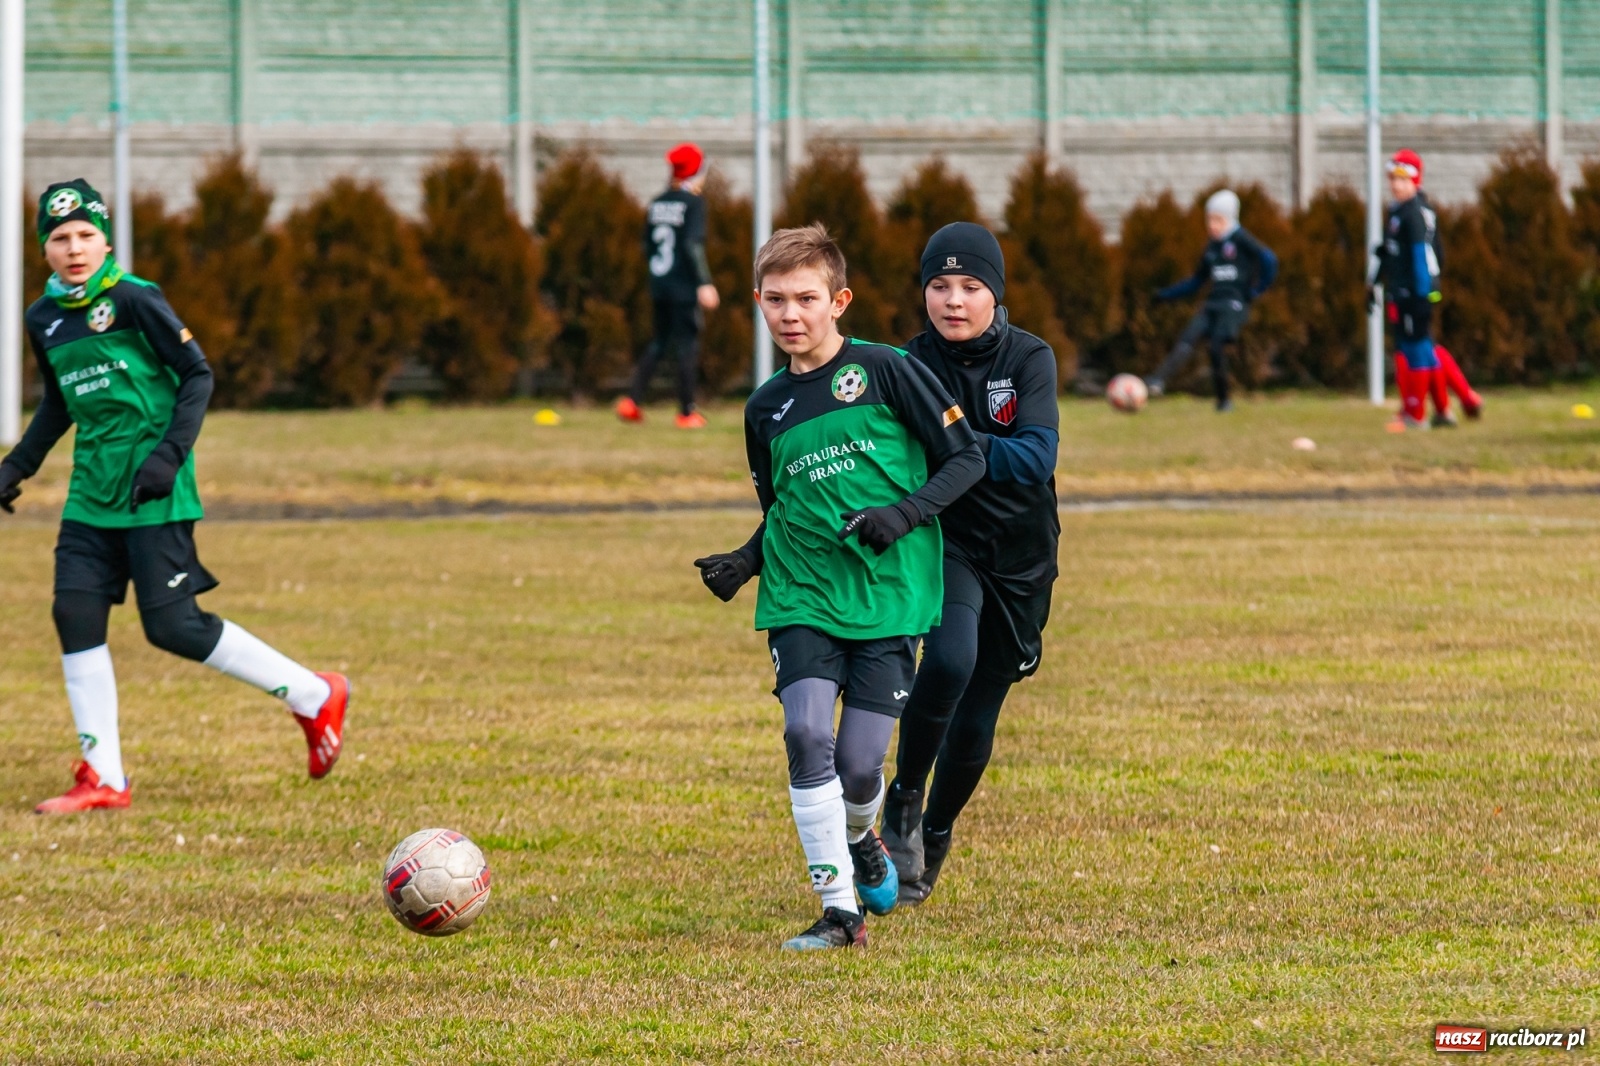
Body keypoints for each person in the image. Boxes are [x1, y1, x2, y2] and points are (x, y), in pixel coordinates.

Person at [0, 178, 350, 814]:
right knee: (73, 614)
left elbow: (197, 375)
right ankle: (104, 777)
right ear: (44, 249)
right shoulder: (43, 318)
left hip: (152, 490)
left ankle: (314, 694)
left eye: (85, 235)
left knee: (172, 627)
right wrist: (16, 466)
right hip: (90, 494)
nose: (74, 248)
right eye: (60, 238)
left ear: (106, 241)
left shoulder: (135, 299)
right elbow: (59, 403)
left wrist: (168, 457)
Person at [692, 223, 984, 950]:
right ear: (758, 302)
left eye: (806, 299)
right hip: (801, 596)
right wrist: (748, 559)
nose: (791, 314)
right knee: (806, 733)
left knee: (858, 766)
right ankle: (840, 914)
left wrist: (901, 515)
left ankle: (861, 836)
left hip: (889, 595)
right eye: (776, 300)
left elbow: (966, 459)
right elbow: (785, 508)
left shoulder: (886, 370)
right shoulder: (764, 409)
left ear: (839, 301)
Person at [880, 223, 1060, 905]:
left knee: (981, 706)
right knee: (950, 660)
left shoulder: (1029, 357)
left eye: (970, 286)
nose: (953, 300)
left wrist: (955, 441)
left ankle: (936, 828)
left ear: (995, 294)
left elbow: (1036, 458)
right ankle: (903, 798)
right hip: (946, 540)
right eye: (939, 285)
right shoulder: (907, 365)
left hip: (1022, 555)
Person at [1370, 149, 1483, 430]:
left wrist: (1425, 292)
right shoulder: (1398, 212)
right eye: (1392, 178)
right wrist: (1374, 282)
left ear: (1415, 180)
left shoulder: (1414, 214)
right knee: (1423, 348)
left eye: (1402, 179)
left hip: (1414, 292)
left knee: (1417, 349)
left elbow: (1426, 255)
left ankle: (1415, 414)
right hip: (1402, 291)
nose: (1396, 185)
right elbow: (1390, 252)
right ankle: (1451, 406)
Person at [616, 142, 720, 429]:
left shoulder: (658, 202)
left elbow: (646, 246)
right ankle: (686, 412)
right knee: (687, 346)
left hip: (659, 284)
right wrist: (704, 282)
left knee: (659, 342)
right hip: (683, 287)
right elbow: (692, 244)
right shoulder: (694, 204)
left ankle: (632, 401)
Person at [1145, 189, 1278, 412]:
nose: (1212, 225)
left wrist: (1257, 290)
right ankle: (1157, 380)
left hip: (1234, 304)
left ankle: (1224, 400)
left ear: (1230, 219)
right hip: (1213, 303)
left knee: (1216, 347)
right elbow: (1197, 281)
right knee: (1187, 338)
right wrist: (1165, 295)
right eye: (1209, 220)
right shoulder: (1212, 247)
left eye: (1218, 220)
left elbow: (1269, 260)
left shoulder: (1242, 239)